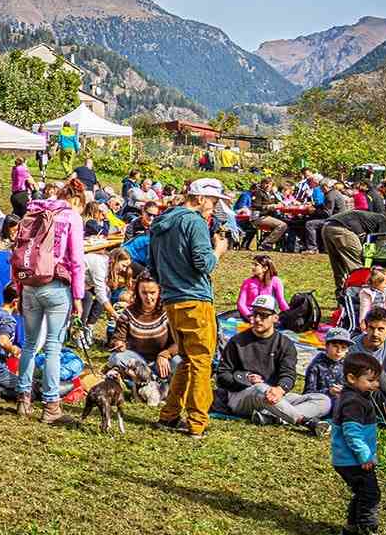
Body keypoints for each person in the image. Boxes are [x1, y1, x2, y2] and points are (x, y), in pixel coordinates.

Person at [150, 178, 231, 439]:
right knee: (201, 361)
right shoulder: (194, 222)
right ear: (200, 198)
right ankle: (197, 422)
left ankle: (169, 415)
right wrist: (218, 250)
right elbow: (204, 264)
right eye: (213, 201)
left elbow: (152, 266)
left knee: (187, 359)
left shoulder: (161, 223)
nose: (214, 207)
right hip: (195, 300)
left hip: (171, 300)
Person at [13, 179, 86, 424]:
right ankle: (51, 404)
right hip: (56, 284)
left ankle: (23, 398)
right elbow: (76, 260)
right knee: (53, 346)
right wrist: (78, 296)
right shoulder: (71, 217)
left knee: (30, 344)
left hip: (30, 284)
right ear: (76, 200)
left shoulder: (33, 211)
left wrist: (20, 287)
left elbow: (20, 253)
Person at [215, 294, 331, 433]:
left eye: (263, 315)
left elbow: (288, 375)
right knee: (260, 388)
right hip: (241, 396)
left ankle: (271, 417)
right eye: (255, 314)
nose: (257, 319)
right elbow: (222, 376)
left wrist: (280, 389)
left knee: (323, 400)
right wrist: (245, 379)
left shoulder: (285, 344)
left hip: (274, 396)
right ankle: (303, 420)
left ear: (275, 318)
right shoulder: (237, 342)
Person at [331, 352, 385, 535]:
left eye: (377, 380)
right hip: (353, 460)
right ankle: (367, 531)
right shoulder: (354, 402)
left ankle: (350, 530)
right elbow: (352, 433)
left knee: (361, 492)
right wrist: (364, 456)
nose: (376, 385)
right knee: (371, 495)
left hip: (349, 459)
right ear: (352, 378)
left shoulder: (355, 396)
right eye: (370, 380)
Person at [106, 275, 177, 387]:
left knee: (180, 362)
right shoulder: (129, 313)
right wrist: (119, 343)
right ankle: (153, 381)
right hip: (138, 361)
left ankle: (144, 381)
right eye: (144, 293)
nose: (148, 297)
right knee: (116, 358)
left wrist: (165, 354)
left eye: (152, 293)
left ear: (159, 291)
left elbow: (179, 342)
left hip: (162, 361)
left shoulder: (168, 311)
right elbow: (118, 337)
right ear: (138, 292)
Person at [319, 208, 386, 293]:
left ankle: (341, 293)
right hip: (344, 228)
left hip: (327, 226)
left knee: (338, 264)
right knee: (357, 264)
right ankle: (359, 293)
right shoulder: (385, 222)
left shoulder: (372, 219)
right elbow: (380, 243)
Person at [304, 327, 354, 399]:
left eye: (343, 347)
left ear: (347, 350)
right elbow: (308, 393)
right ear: (327, 346)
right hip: (320, 401)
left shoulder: (348, 365)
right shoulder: (316, 365)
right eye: (335, 346)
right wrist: (329, 392)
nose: (339, 351)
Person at [236, 254, 288, 320]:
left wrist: (289, 313)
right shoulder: (247, 282)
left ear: (265, 268)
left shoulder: (275, 281)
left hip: (266, 315)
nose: (252, 267)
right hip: (249, 315)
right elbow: (241, 303)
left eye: (256, 265)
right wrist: (249, 316)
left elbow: (281, 301)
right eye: (252, 264)